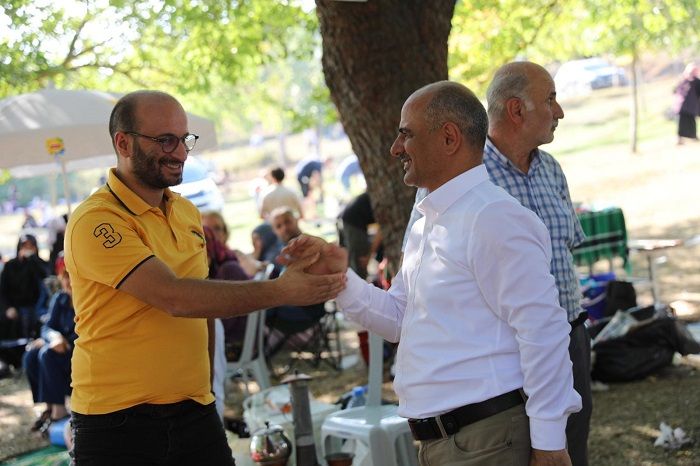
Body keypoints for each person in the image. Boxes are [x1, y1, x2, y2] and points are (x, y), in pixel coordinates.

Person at [283, 81, 581, 466]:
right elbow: (400, 318)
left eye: (406, 134)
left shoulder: (492, 217)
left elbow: (543, 332)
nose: (395, 148)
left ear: (449, 138)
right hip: (446, 441)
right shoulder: (429, 222)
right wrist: (339, 280)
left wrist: (549, 442)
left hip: (487, 438)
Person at [64, 90, 345, 465]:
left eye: (184, 139)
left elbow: (203, 304)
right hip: (117, 422)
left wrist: (208, 389)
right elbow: (175, 297)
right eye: (166, 140)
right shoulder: (96, 219)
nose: (181, 152)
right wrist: (280, 290)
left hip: (195, 412)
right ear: (123, 143)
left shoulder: (186, 212)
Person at [404, 62, 593, 466]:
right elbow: (416, 276)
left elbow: (566, 252)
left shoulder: (551, 169)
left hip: (568, 336)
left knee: (572, 449)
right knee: (533, 448)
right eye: (550, 99)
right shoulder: (458, 176)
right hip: (510, 363)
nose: (559, 111)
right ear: (516, 109)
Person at [23, 254, 75, 435]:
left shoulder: (87, 299)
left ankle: (59, 411)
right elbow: (47, 327)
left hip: (77, 353)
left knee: (47, 354)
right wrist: (53, 337)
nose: (69, 281)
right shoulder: (60, 299)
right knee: (31, 355)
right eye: (65, 276)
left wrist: (63, 341)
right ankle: (49, 406)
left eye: (72, 275)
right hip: (60, 350)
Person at [0, 234, 49, 338]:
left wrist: (33, 259)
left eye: (31, 247)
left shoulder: (38, 263)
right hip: (15, 306)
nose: (27, 249)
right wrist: (8, 307)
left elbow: (45, 276)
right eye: (24, 246)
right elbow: (3, 290)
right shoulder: (10, 265)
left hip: (36, 306)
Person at [337, 191, 382, 280]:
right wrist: (368, 256)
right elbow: (380, 233)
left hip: (345, 218)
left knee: (350, 260)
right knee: (359, 262)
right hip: (353, 222)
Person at [673, 63, 700, 145]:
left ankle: (692, 137)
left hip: (688, 106)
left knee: (690, 122)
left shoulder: (694, 81)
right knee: (682, 122)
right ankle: (680, 139)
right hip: (683, 105)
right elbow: (675, 90)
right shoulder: (684, 80)